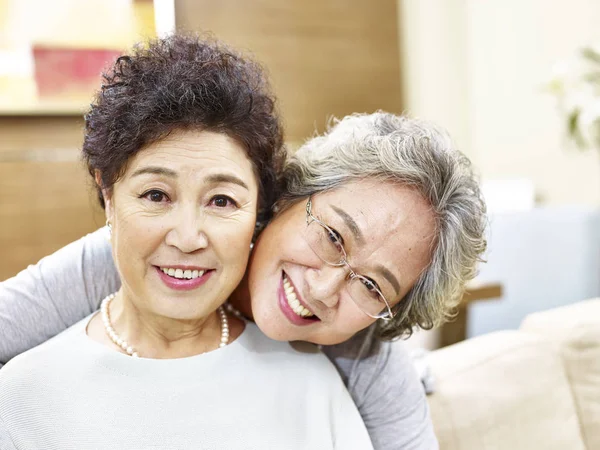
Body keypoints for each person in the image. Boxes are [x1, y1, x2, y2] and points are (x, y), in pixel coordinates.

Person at [0, 50, 487, 450]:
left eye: (371, 285)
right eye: (334, 236)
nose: (321, 288)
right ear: (284, 199)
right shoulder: (112, 262)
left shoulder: (359, 361)